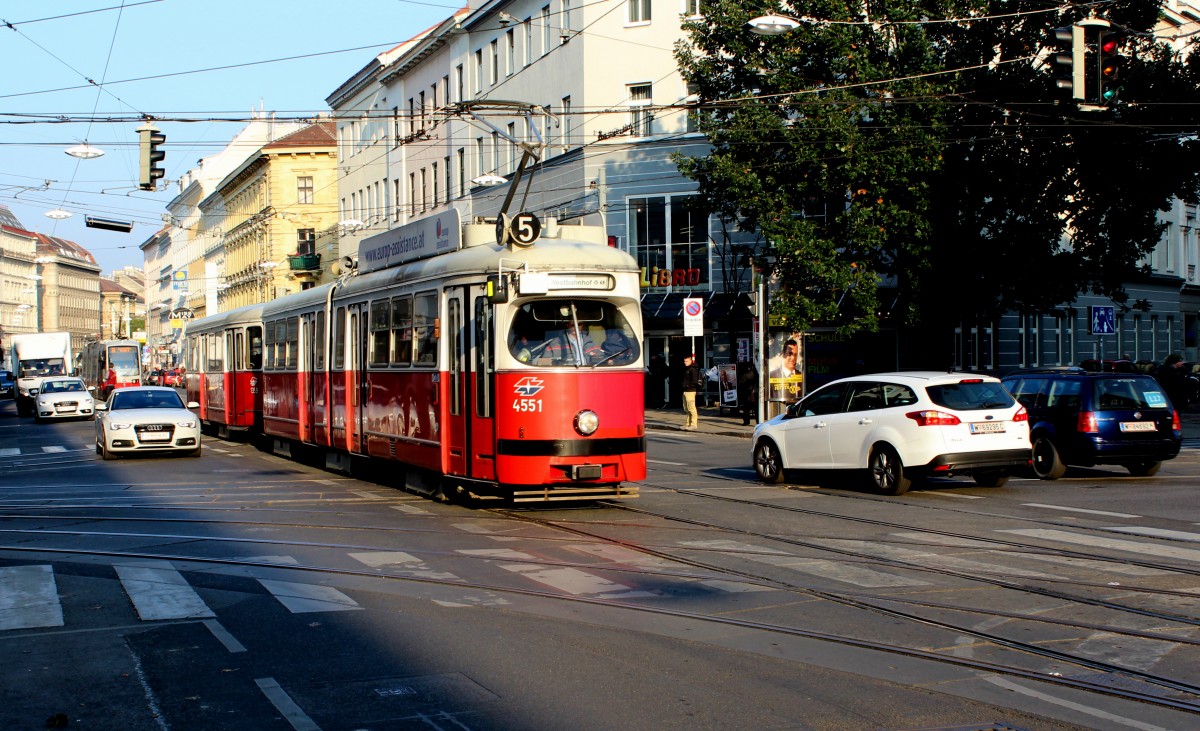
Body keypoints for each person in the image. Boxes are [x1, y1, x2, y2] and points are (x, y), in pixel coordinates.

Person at [681, 353, 701, 431]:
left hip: (690, 391)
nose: (685, 362)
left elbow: (694, 381)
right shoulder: (687, 369)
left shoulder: (692, 369)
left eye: (686, 361)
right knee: (687, 408)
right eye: (684, 361)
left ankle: (693, 424)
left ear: (690, 361)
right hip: (686, 390)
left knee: (691, 408)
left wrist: (688, 386)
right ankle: (688, 423)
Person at [737, 361, 759, 426]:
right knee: (756, 410)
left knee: (746, 409)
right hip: (755, 394)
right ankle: (758, 421)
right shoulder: (756, 374)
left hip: (747, 395)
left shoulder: (746, 375)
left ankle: (746, 421)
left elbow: (741, 384)